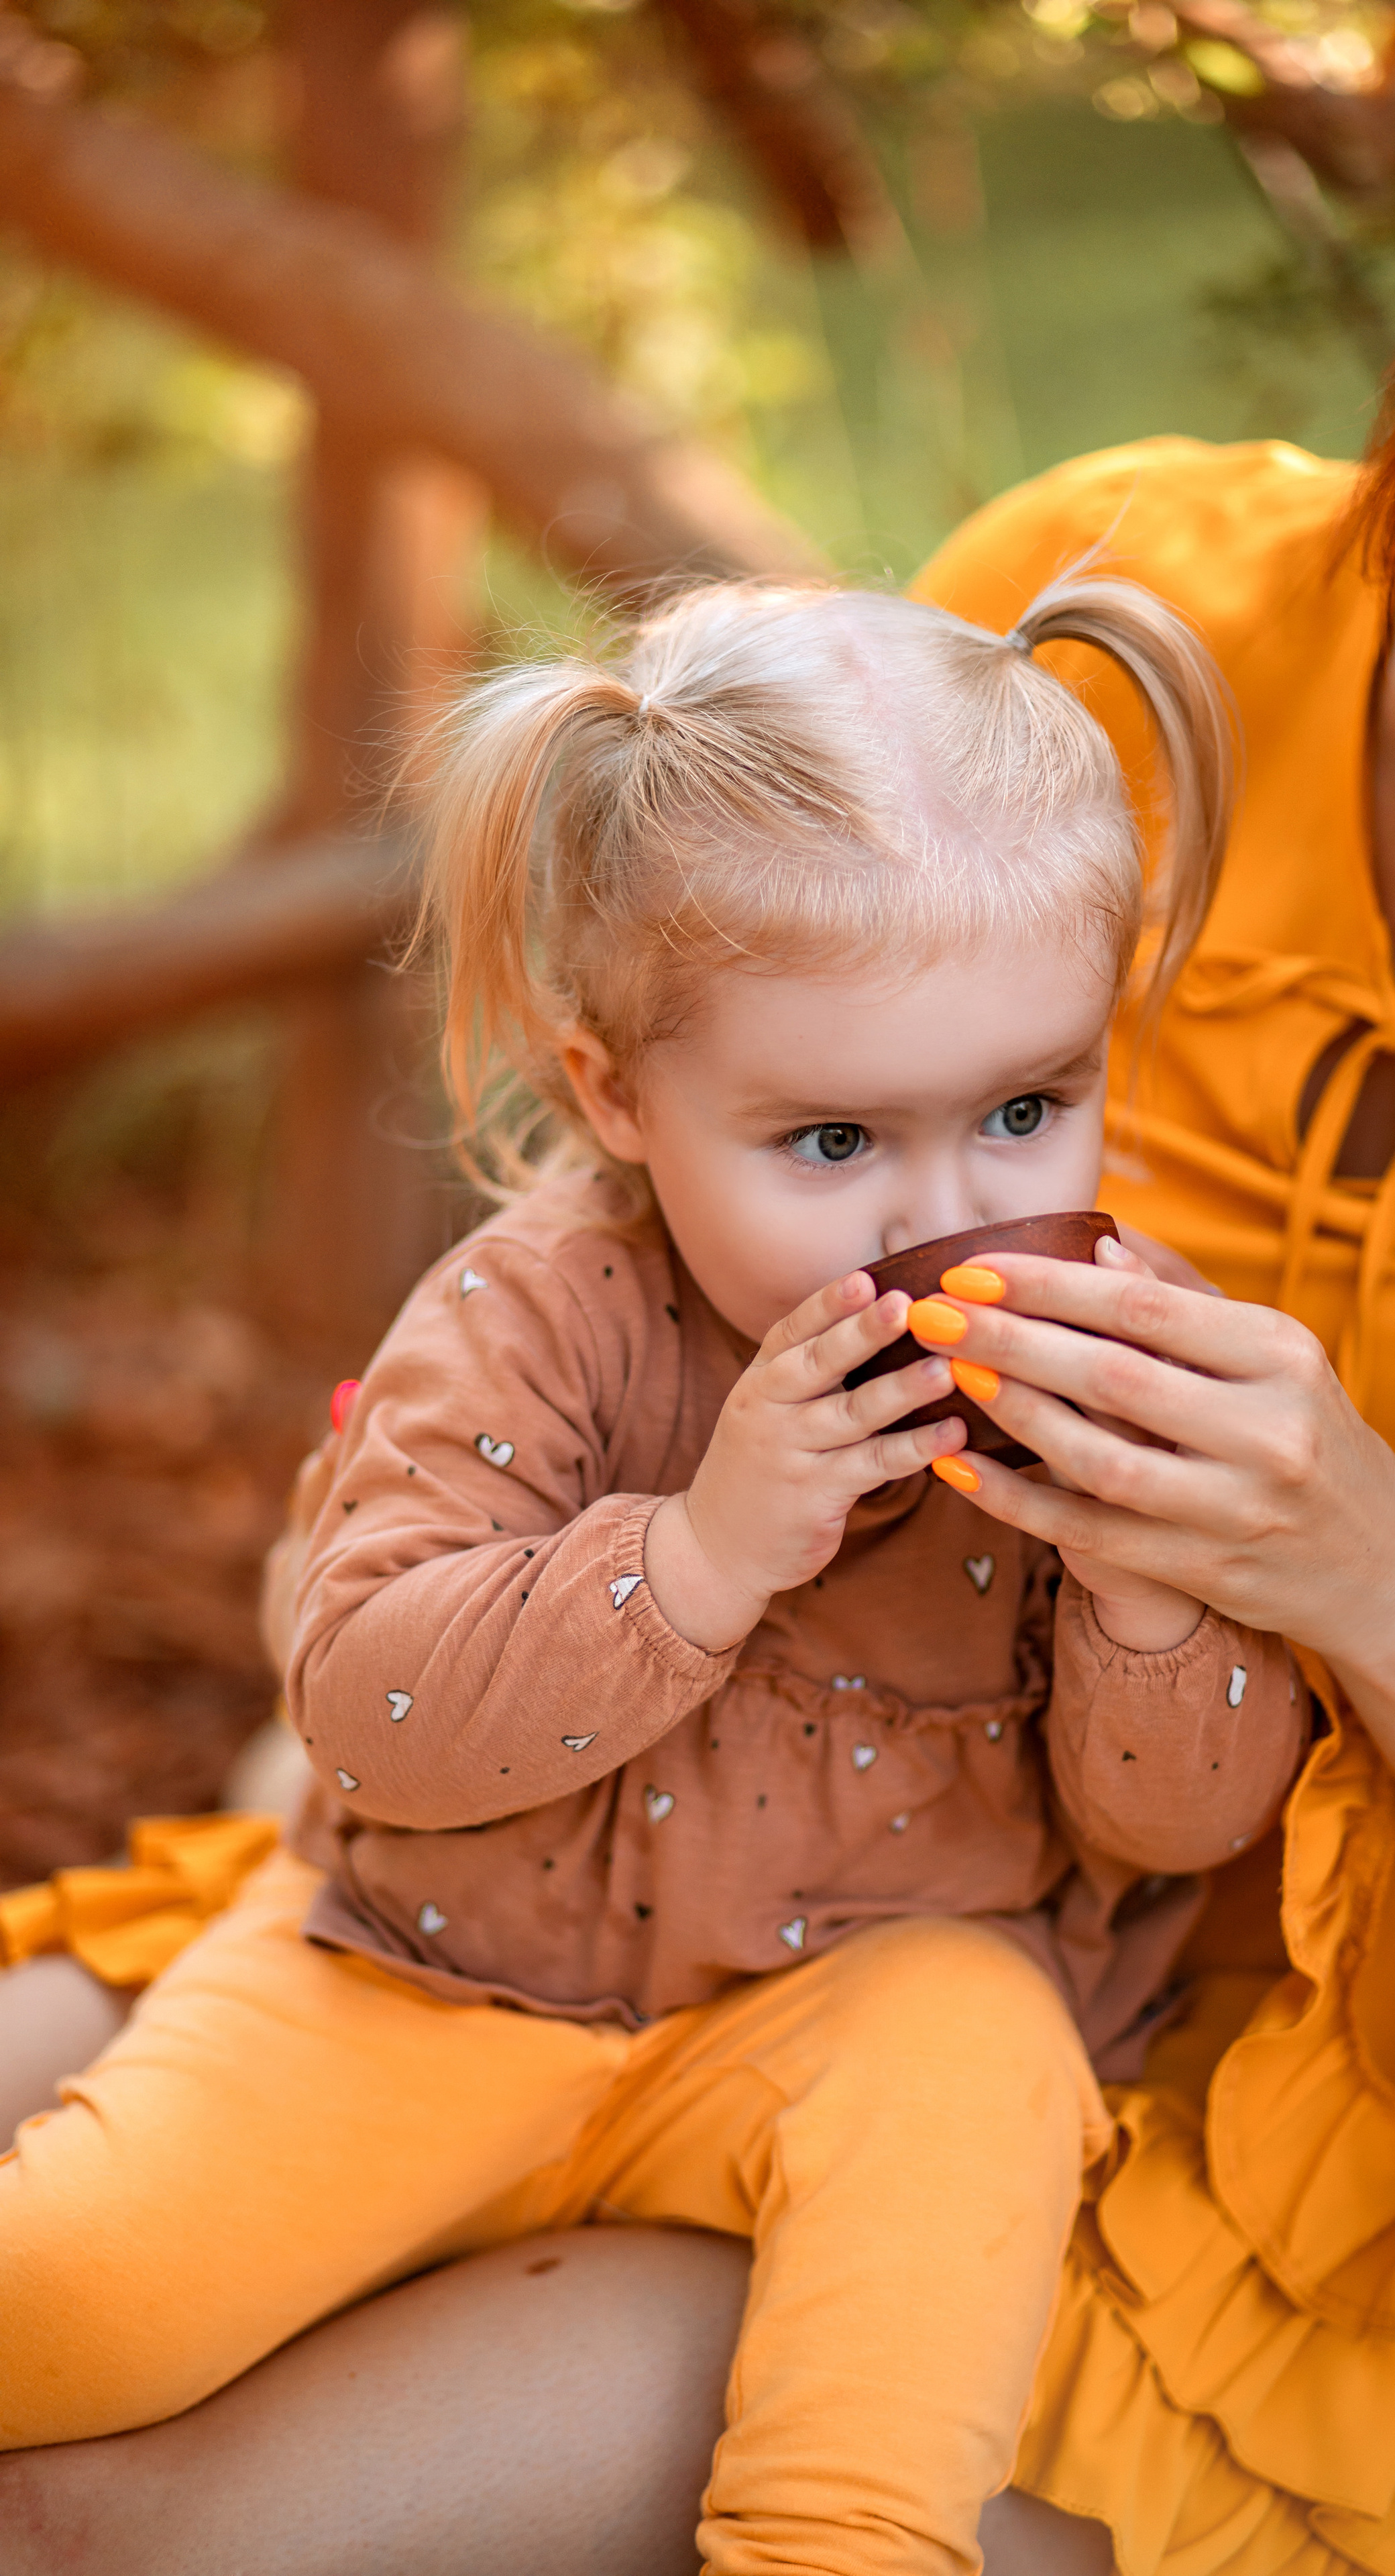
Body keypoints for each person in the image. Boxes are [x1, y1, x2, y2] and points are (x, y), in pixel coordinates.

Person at [5, 17, 1395, 2573]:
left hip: (1195, 2037)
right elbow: (709, 1031)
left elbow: (1192, 1799)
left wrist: (1352, 1574)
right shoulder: (1110, 611)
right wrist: (421, 1658)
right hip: (556, 1817)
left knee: (126, 2522)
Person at [0, 572, 1308, 2573]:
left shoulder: (1120, 1354)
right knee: (66, 2314)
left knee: (980, 2038)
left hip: (842, 2011)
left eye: (1031, 1110)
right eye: (835, 1140)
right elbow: (366, 1709)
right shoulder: (540, 1318)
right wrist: (697, 1558)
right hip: (443, 1979)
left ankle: (846, 2544)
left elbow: (1189, 1820)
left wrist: (1148, 1590)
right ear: (617, 1093)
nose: (950, 1215)